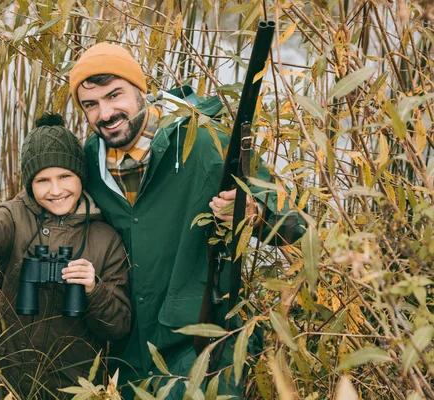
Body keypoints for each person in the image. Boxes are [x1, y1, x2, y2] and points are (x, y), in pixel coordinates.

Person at [68, 42, 306, 398]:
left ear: (140, 91)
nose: (105, 113)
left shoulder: (207, 141)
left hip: (200, 343)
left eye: (114, 95)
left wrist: (252, 214)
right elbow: (48, 215)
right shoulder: (87, 163)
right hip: (125, 351)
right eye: (91, 104)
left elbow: (295, 224)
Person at [0, 114, 131, 399]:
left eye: (65, 176)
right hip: (0, 373)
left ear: (81, 177)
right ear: (29, 184)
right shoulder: (14, 215)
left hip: (70, 384)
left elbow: (118, 326)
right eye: (42, 180)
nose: (56, 190)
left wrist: (91, 289)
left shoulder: (105, 239)